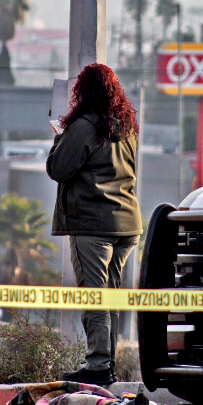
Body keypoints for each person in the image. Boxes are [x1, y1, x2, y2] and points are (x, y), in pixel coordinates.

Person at [46, 63, 143, 387]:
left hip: (93, 223)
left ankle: (99, 365)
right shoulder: (127, 125)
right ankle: (108, 363)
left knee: (94, 295)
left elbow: (59, 169)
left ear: (82, 92)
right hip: (127, 223)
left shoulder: (85, 126)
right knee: (110, 296)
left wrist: (60, 139)